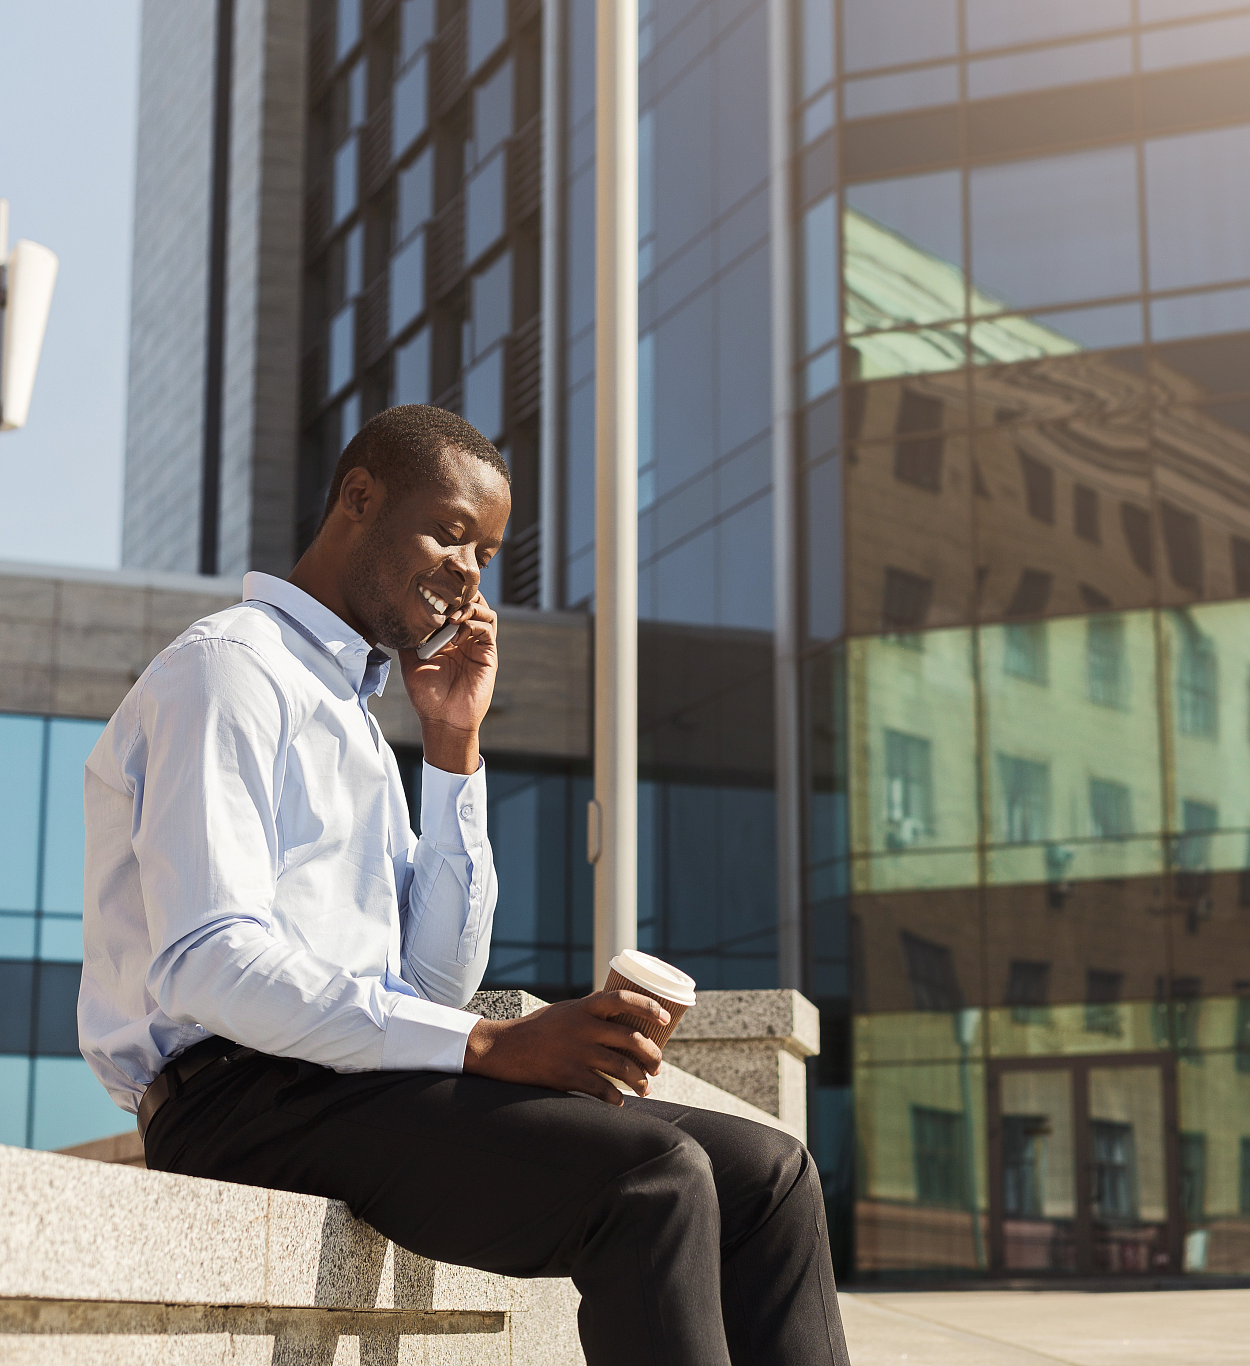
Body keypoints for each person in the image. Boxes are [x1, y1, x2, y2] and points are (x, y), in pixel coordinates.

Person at [78, 405, 849, 1366]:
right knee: (652, 1177)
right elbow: (206, 962)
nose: (468, 570)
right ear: (359, 498)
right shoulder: (232, 671)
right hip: (237, 1097)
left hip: (359, 1084)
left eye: (485, 550)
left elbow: (431, 982)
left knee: (770, 1173)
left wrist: (452, 746)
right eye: (451, 531)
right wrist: (488, 1045)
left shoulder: (355, 710)